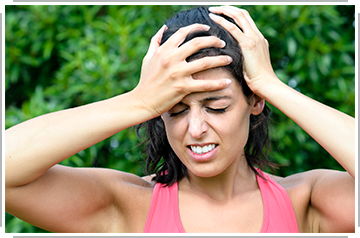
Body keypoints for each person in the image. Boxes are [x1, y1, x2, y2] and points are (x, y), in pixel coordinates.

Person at [5, 6, 354, 233]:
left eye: (216, 106)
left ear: (255, 101)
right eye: (176, 109)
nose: (196, 128)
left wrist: (270, 83)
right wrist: (139, 100)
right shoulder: (128, 206)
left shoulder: (305, 203)